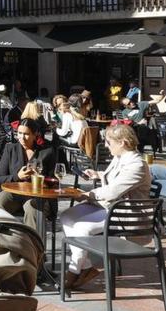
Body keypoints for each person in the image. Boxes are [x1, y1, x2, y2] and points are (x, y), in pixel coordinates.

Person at [60, 124, 152, 290]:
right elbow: (115, 180)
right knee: (67, 216)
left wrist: (87, 195)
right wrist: (98, 175)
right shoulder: (121, 158)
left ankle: (74, 271)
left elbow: (113, 191)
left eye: (109, 142)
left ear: (122, 143)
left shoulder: (136, 165)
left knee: (81, 228)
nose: (106, 146)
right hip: (109, 207)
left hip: (125, 214)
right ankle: (86, 267)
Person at [0, 120, 58, 229]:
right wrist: (17, 176)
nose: (22, 137)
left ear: (35, 135)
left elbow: (54, 181)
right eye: (19, 133)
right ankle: (1, 239)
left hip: (37, 195)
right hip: (14, 192)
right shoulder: (10, 149)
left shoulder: (47, 152)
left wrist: (42, 180)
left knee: (32, 209)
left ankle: (33, 243)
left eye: (26, 134)